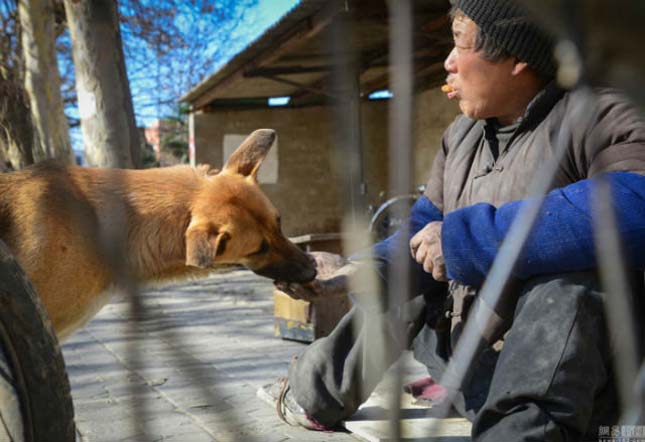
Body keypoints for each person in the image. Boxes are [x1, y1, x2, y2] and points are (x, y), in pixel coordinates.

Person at [261, 0, 645, 440]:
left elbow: (636, 199)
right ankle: (312, 393)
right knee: (406, 272)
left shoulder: (598, 113)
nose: (447, 63)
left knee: (569, 274)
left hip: (567, 381)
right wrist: (360, 267)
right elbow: (425, 225)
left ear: (518, 58)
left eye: (460, 45)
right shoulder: (461, 137)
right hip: (473, 364)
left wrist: (466, 241)